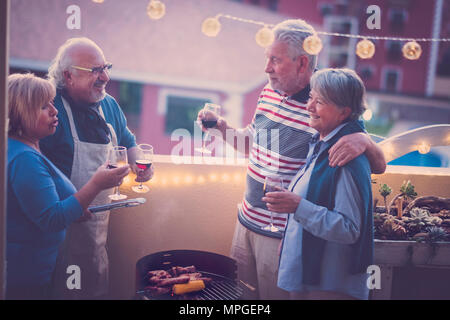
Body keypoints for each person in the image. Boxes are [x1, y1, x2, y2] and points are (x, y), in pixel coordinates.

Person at [197, 19, 386, 300]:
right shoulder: (269, 91)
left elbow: (377, 164)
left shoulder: (326, 104)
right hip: (246, 221)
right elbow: (252, 144)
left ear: (302, 63)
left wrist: (365, 139)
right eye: (267, 58)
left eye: (275, 60)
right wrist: (222, 127)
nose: (267, 68)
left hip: (282, 235)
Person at [40, 37, 153, 299]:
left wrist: (140, 165)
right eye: (94, 70)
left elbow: (128, 142)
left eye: (106, 67)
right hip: (59, 232)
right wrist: (69, 204)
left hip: (97, 232)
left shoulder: (109, 104)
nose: (105, 77)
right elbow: (35, 165)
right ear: (68, 76)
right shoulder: (50, 110)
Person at [6, 73, 130, 300]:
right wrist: (97, 183)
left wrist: (75, 207)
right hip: (25, 277)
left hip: (39, 268)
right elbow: (52, 218)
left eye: (52, 103)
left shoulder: (24, 148)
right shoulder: (24, 159)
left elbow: (42, 207)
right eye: (44, 107)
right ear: (20, 112)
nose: (54, 112)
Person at [263, 68, 374, 300]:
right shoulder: (324, 143)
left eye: (319, 101)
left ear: (344, 112)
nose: (309, 106)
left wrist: (298, 206)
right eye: (310, 97)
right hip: (311, 279)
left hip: (329, 287)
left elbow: (349, 229)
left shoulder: (344, 158)